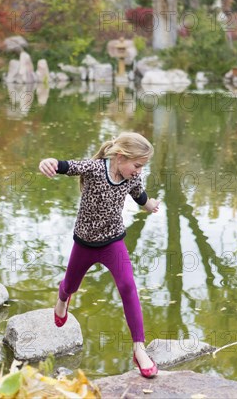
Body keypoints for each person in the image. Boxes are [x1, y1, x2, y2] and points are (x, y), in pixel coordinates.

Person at [38, 131, 160, 378]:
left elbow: (140, 195)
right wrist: (48, 163)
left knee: (128, 286)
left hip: (113, 242)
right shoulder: (94, 168)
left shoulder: (131, 178)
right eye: (137, 165)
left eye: (142, 167)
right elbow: (66, 166)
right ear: (120, 156)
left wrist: (150, 205)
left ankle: (139, 348)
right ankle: (62, 298)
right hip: (84, 243)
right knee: (70, 285)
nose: (138, 171)